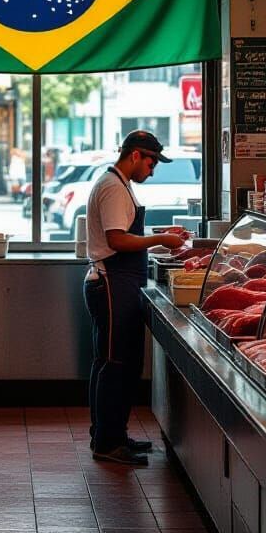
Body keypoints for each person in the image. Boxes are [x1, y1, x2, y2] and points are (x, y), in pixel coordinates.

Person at [84, 130, 186, 466]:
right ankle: (107, 443)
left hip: (120, 283)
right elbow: (117, 240)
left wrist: (161, 237)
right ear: (136, 156)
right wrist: (161, 240)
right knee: (114, 364)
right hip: (112, 282)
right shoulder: (113, 186)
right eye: (152, 162)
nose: (153, 170)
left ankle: (109, 434)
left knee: (113, 362)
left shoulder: (118, 183)